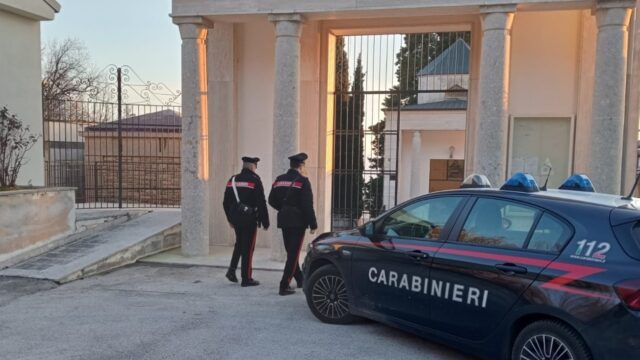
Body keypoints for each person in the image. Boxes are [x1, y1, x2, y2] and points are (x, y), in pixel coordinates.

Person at [268, 152, 318, 296]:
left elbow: (271, 200)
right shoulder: (303, 181)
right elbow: (307, 205)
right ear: (301, 166)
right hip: (298, 222)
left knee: (291, 252)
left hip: (284, 220)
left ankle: (300, 279)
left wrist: (284, 209)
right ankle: (284, 285)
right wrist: (313, 223)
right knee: (293, 254)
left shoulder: (279, 179)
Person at [223, 156, 270, 287]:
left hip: (236, 219)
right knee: (248, 248)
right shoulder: (255, 180)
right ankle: (246, 278)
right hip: (249, 219)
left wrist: (230, 219)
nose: (256, 169)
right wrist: (265, 221)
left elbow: (225, 202)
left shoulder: (232, 180)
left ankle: (231, 271)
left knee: (239, 244)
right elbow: (261, 202)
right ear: (252, 166)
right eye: (255, 166)